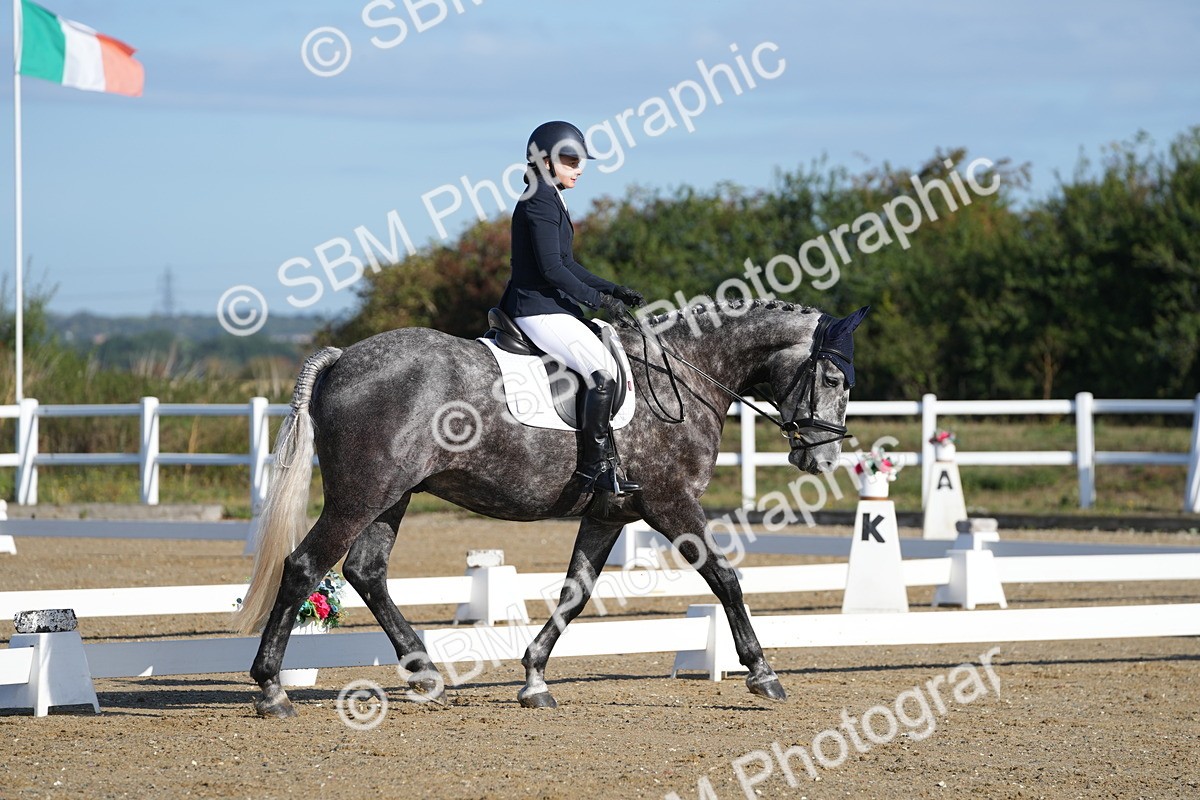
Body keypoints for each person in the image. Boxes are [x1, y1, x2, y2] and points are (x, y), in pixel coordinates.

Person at [499, 120, 644, 495]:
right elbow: (552, 270)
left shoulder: (551, 197)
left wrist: (613, 289)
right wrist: (599, 301)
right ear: (545, 161)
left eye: (580, 160)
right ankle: (593, 468)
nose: (579, 167)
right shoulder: (538, 202)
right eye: (570, 159)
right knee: (601, 374)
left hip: (550, 305)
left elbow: (570, 264)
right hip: (536, 308)